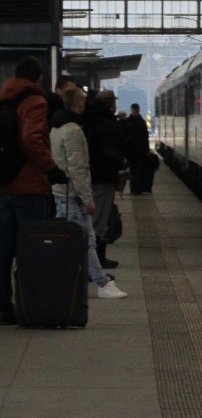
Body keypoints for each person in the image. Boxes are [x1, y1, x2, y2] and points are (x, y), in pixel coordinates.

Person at [0, 55, 68, 325]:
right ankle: (32, 306)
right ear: (38, 78)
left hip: (2, 187)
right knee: (32, 252)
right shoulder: (35, 101)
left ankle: (3, 308)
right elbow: (31, 138)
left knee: (3, 252)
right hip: (29, 188)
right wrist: (51, 168)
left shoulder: (3, 98)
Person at [50, 87, 127, 299]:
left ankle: (62, 280)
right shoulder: (73, 130)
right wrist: (87, 198)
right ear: (79, 103)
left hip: (61, 192)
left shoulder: (56, 127)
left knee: (71, 240)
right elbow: (77, 167)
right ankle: (103, 284)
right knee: (86, 240)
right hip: (72, 193)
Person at [83, 89, 127, 270]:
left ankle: (97, 261)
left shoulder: (91, 120)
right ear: (110, 104)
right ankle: (96, 263)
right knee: (99, 223)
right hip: (102, 178)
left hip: (97, 176)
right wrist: (121, 163)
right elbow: (108, 150)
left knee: (98, 222)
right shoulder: (104, 123)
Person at [122, 102, 151, 194]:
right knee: (133, 170)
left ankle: (137, 189)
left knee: (139, 170)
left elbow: (145, 137)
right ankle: (133, 188)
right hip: (131, 151)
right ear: (132, 110)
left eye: (136, 110)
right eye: (134, 109)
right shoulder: (128, 122)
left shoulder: (141, 122)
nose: (135, 111)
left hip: (140, 151)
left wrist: (147, 149)